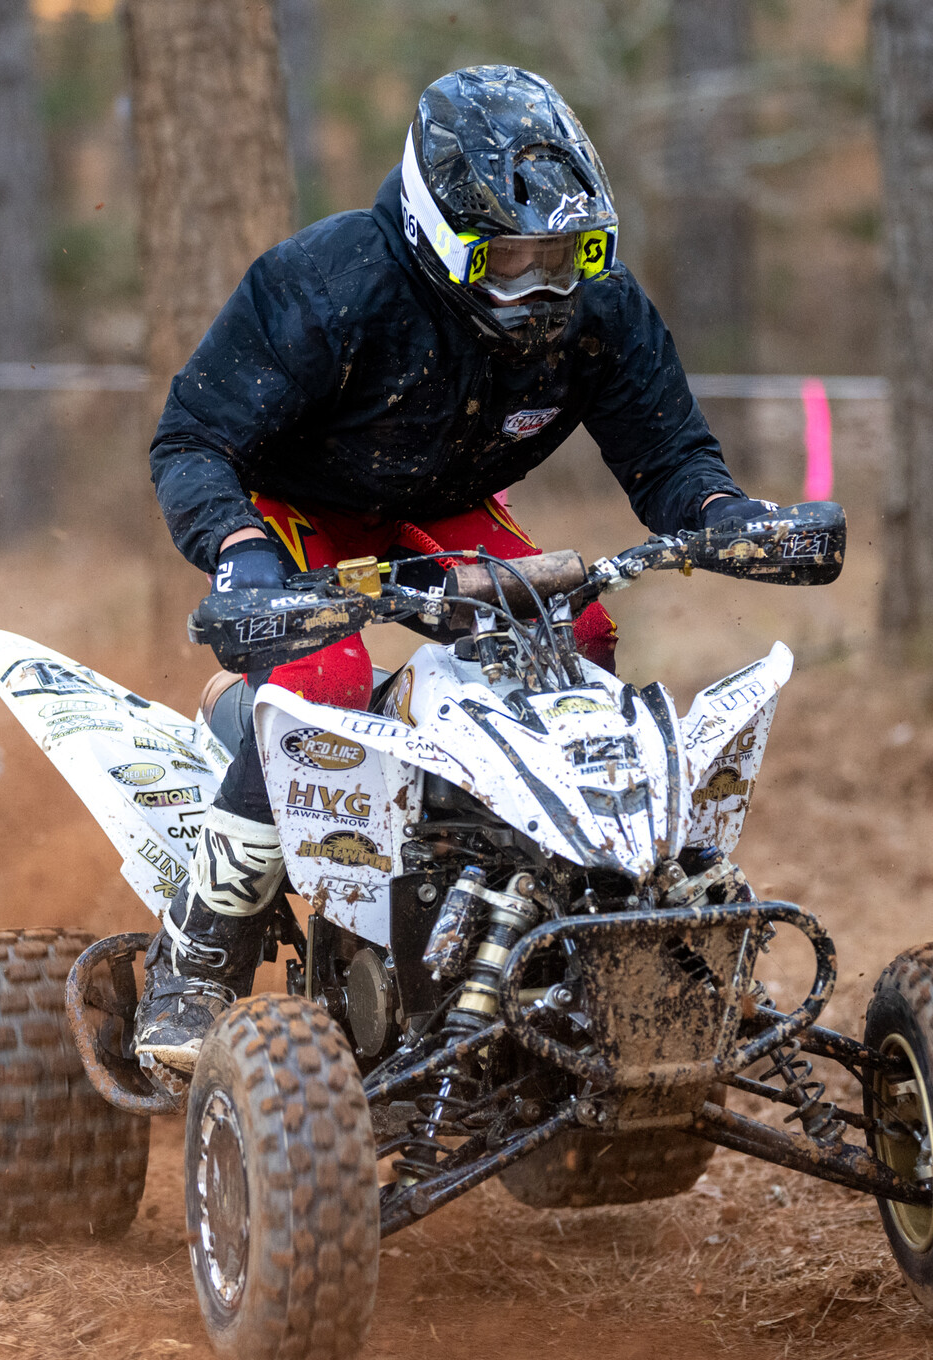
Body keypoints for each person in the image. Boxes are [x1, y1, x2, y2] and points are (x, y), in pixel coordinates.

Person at [135, 64, 773, 1071]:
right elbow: (192, 442)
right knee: (322, 676)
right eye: (513, 258)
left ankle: (561, 920)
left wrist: (723, 515)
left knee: (579, 632)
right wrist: (242, 554)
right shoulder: (326, 285)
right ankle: (196, 960)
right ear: (441, 232)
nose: (546, 285)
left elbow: (673, 458)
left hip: (437, 506)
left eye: (569, 254)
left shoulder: (598, 311)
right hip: (295, 506)